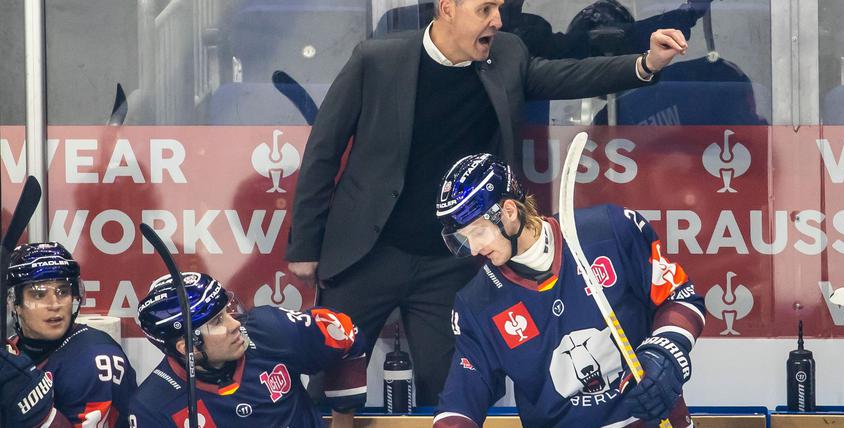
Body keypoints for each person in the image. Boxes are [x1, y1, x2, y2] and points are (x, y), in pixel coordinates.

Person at [287, 0, 689, 405]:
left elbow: (568, 76)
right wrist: (305, 244)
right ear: (447, 9)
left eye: (498, 8)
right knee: (329, 388)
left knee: (452, 392)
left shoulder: (508, 54)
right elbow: (324, 150)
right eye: (485, 9)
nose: (497, 20)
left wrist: (646, 63)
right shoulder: (376, 60)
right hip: (368, 254)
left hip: (449, 263)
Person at [431, 154, 706, 427]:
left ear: (509, 212)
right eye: (464, 239)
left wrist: (664, 352)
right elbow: (461, 402)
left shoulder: (610, 230)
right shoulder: (477, 303)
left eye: (478, 232)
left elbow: (679, 296)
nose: (475, 249)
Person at [129, 271, 366, 427]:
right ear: (186, 346)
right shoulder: (152, 408)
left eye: (227, 312)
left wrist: (343, 416)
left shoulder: (271, 330)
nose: (235, 325)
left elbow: (346, 333)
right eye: (217, 322)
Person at [5, 242, 136, 427]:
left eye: (63, 292)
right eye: (38, 295)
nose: (54, 304)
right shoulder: (11, 350)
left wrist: (33, 407)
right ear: (14, 302)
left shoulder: (95, 357)